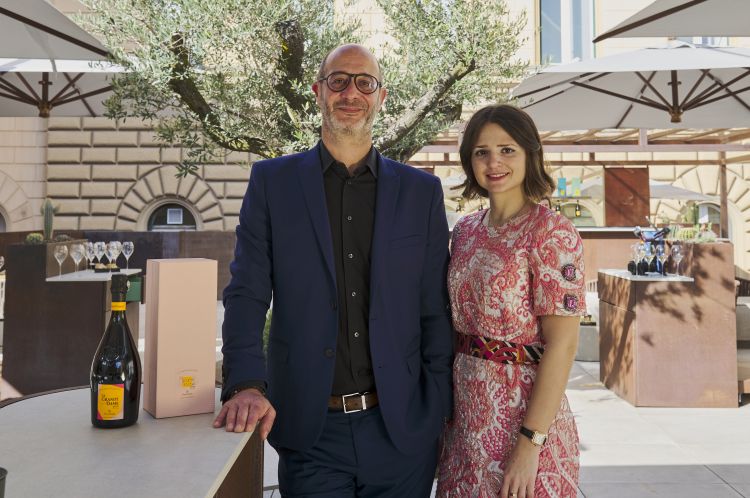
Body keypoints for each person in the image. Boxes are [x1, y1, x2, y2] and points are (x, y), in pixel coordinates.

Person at [213, 43, 454, 497]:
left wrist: (436, 401)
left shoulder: (422, 193)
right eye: (338, 81)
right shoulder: (272, 183)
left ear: (381, 97)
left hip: (402, 430)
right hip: (310, 429)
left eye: (365, 83)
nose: (351, 92)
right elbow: (246, 291)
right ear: (318, 91)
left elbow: (433, 306)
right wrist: (244, 383)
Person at [436, 104, 585, 498]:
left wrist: (529, 443)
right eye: (481, 152)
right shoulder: (465, 231)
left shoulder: (552, 232)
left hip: (523, 417)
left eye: (507, 149)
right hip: (465, 419)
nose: (493, 162)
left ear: (529, 154)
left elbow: (564, 344)